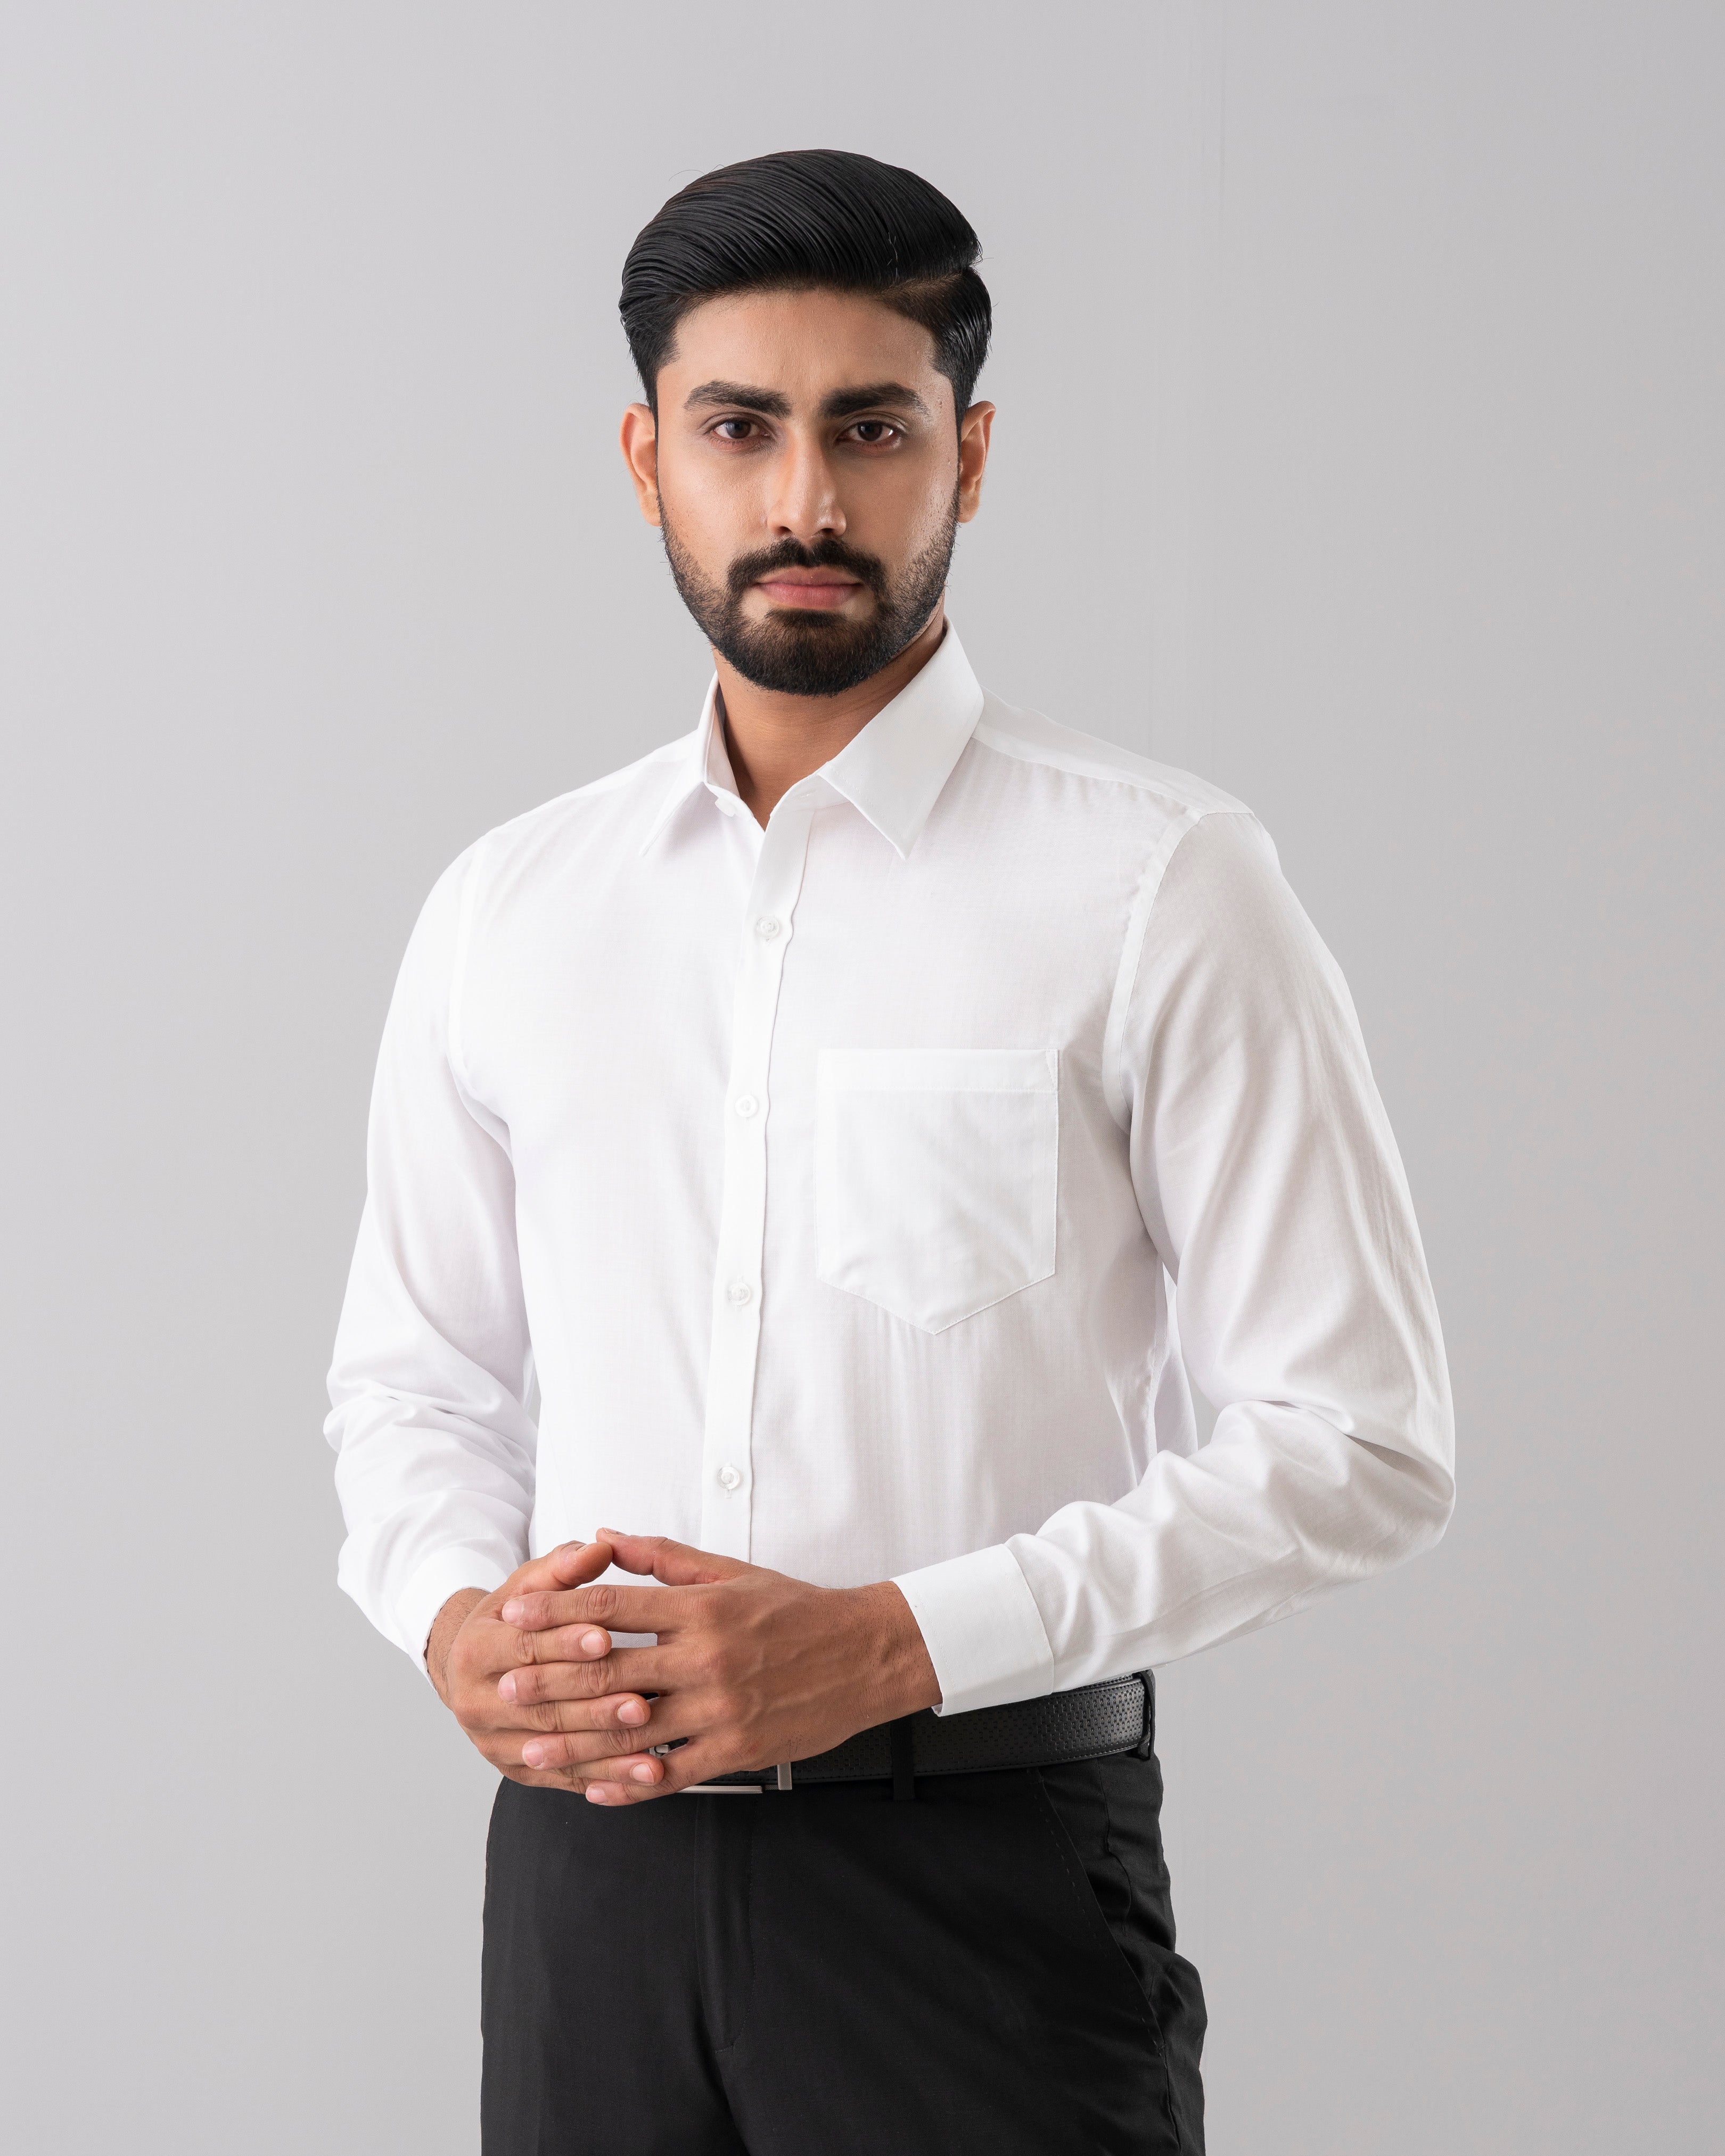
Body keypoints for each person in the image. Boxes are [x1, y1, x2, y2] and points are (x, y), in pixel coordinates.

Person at [326, 147, 1454, 2156]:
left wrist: (890, 1644)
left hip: (980, 1887)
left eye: (871, 429)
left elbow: (1360, 1442)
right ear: (646, 458)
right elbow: (415, 1383)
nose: (805, 504)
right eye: (736, 430)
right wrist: (450, 1616)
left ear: (970, 454)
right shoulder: (512, 906)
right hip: (589, 1890)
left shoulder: (1161, 885)